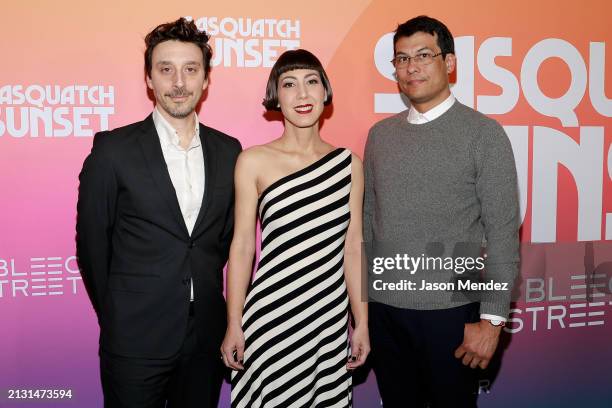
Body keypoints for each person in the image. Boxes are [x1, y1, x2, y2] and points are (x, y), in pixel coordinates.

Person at [76, 17, 241, 408]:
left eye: (190, 70)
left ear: (206, 79)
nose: (179, 83)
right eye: (166, 70)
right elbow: (92, 246)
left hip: (205, 338)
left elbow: (227, 241)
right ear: (149, 79)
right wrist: (119, 311)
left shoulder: (230, 151)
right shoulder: (113, 150)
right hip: (134, 337)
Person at [364, 16, 519, 407]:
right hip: (385, 314)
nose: (411, 67)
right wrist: (363, 312)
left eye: (423, 55)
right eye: (401, 59)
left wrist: (492, 322)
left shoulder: (484, 134)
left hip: (451, 316)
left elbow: (502, 233)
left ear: (449, 63)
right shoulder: (380, 136)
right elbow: (369, 223)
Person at [221, 49, 370, 407]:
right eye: (289, 84)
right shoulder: (253, 161)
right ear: (276, 95)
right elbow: (243, 247)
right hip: (272, 317)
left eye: (311, 82)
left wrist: (362, 320)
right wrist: (234, 323)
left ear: (324, 93)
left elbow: (354, 246)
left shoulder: (349, 164)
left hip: (328, 321)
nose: (302, 94)